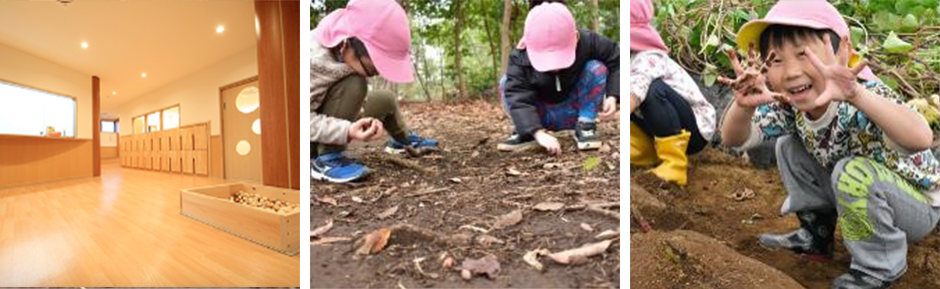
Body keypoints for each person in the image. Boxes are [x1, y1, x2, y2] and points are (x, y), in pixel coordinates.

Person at [720, 1, 940, 288]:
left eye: (804, 54)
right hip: (854, 190)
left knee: (851, 171)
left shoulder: (862, 96)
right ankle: (816, 235)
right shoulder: (790, 106)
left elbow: (920, 139)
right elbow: (732, 139)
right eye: (776, 60)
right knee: (788, 145)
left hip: (915, 205)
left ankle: (879, 267)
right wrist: (743, 106)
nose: (791, 71)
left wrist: (856, 94)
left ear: (841, 52)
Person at [311, 0, 439, 183]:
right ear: (347, 44)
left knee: (384, 98)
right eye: (372, 69)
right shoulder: (311, 60)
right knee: (356, 82)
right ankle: (327, 160)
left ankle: (402, 142)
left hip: (332, 120)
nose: (372, 76)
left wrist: (357, 121)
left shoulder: (346, 54)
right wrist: (346, 129)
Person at [497, 2, 620, 155]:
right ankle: (526, 133)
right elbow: (517, 95)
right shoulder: (520, 56)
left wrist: (614, 95)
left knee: (596, 67)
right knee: (506, 82)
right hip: (540, 115)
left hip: (573, 111)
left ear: (575, 37)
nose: (554, 66)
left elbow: (617, 59)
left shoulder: (589, 41)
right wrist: (537, 132)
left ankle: (586, 126)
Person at [629, 0, 717, 186]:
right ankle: (644, 153)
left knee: (651, 91)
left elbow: (635, 94)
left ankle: (674, 164)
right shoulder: (626, 62)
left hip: (694, 130)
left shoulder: (649, 57)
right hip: (659, 125)